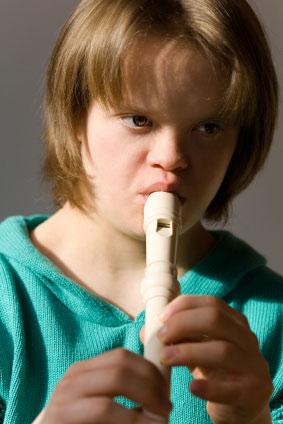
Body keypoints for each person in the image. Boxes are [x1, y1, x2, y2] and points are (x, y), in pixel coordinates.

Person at [0, 0, 282, 423]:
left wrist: (253, 417)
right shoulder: (8, 296)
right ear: (76, 117)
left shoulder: (271, 314)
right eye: (138, 120)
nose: (172, 157)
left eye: (208, 128)